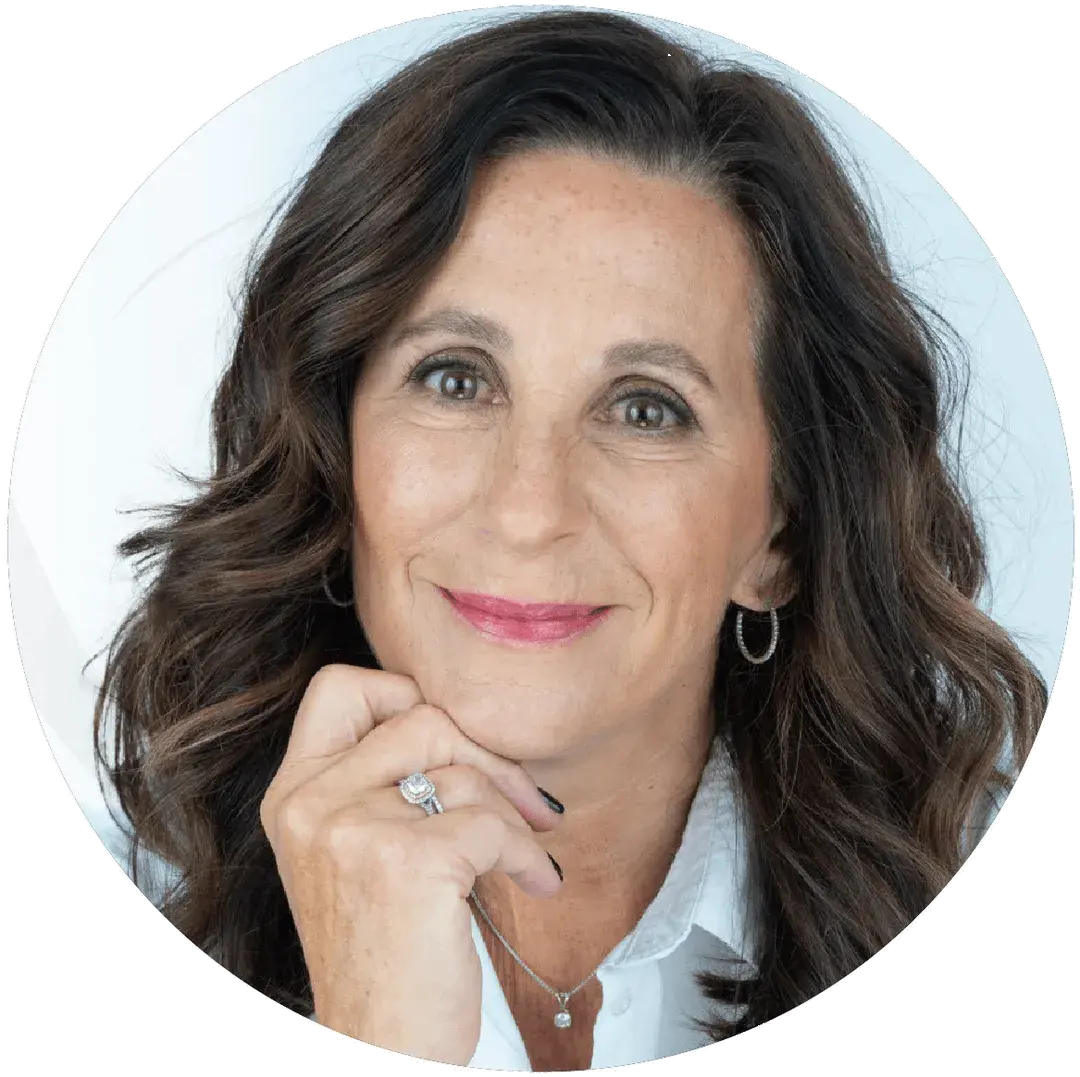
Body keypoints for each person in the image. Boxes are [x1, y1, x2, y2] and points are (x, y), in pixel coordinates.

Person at [92, 10, 1047, 1071]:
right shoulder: (154, 885)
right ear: (334, 451)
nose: (527, 508)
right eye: (455, 379)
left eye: (646, 408)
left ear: (778, 538)